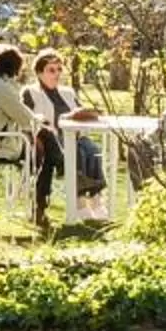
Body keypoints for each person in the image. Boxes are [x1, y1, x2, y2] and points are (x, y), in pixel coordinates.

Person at [31, 50, 108, 222]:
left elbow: (79, 111)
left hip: (75, 137)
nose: (57, 74)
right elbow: (31, 119)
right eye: (51, 70)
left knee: (92, 149)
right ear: (39, 72)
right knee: (78, 153)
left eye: (59, 69)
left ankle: (96, 200)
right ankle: (79, 202)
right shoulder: (31, 92)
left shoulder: (68, 92)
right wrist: (63, 118)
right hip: (52, 142)